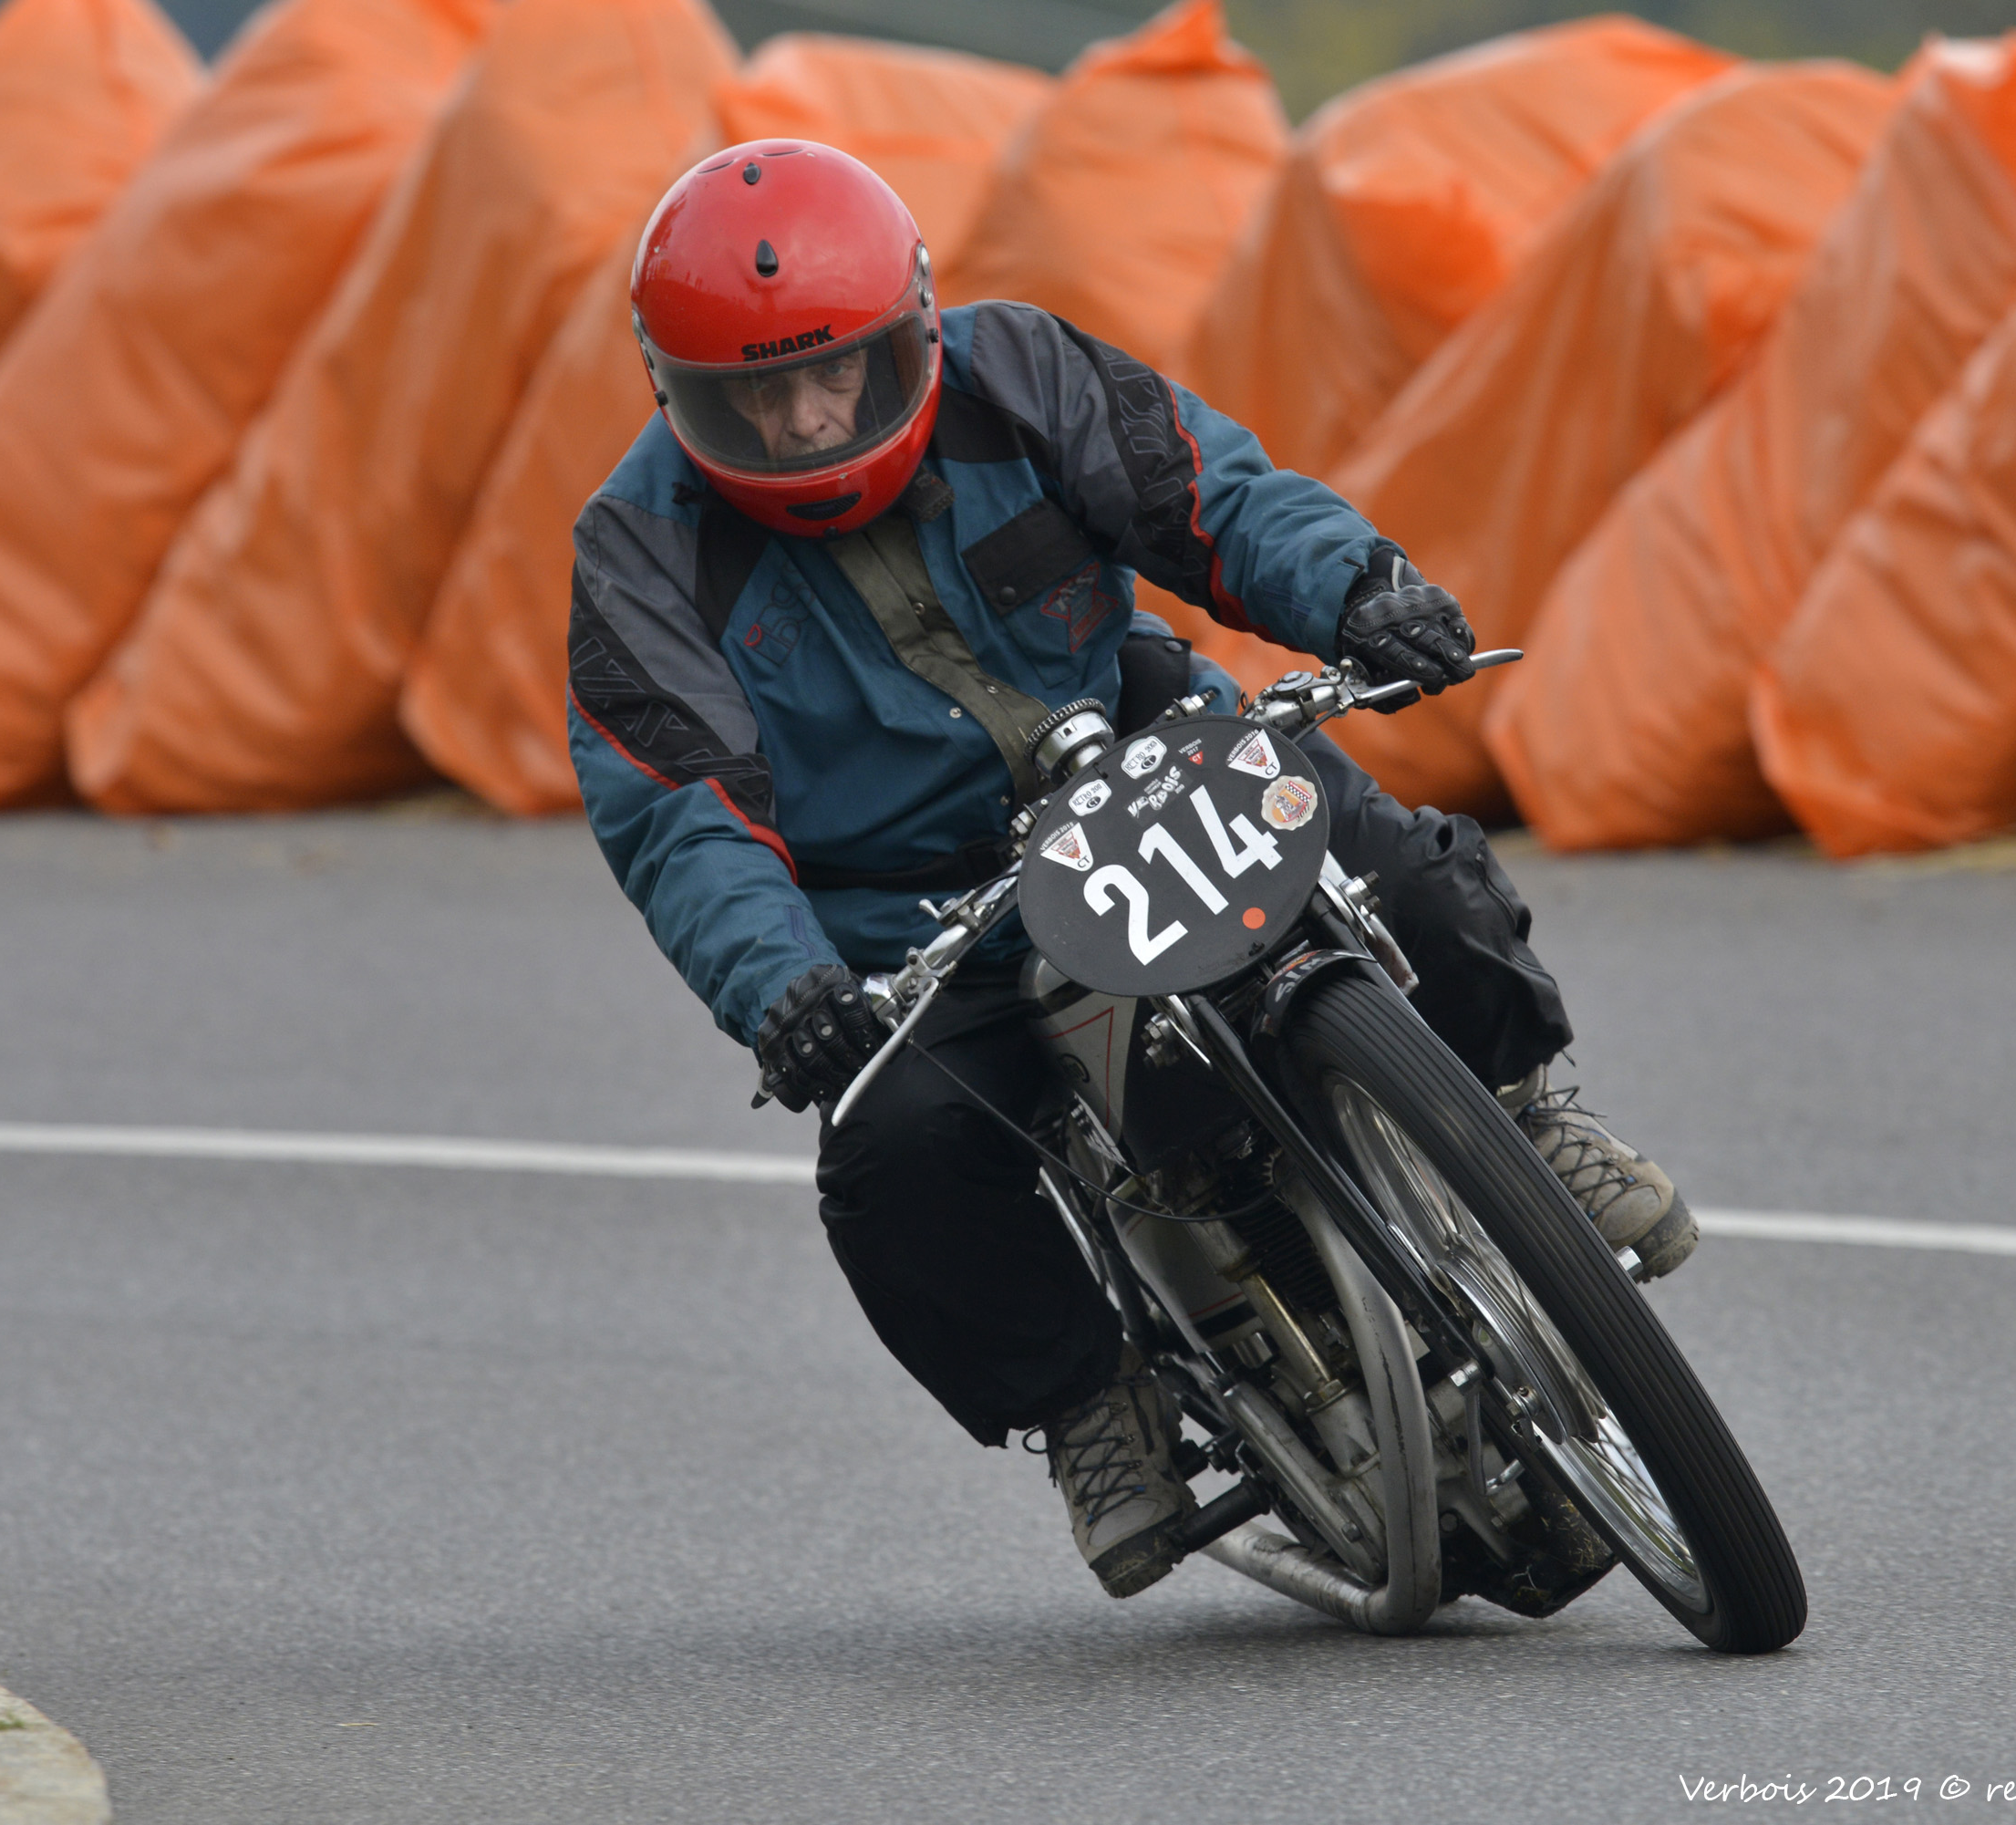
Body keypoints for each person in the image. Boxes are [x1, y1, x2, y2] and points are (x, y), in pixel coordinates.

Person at [571, 140, 1696, 1601]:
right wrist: (784, 987)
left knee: (1408, 876)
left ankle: (1526, 1120)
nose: (803, 421)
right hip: (925, 917)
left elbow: (1207, 492)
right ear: (678, 395)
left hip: (1152, 766)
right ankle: (1088, 1401)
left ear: (909, 331)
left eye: (834, 372)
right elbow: (683, 811)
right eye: (754, 398)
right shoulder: (638, 549)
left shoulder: (1019, 373)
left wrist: (1361, 589)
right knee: (894, 1153)